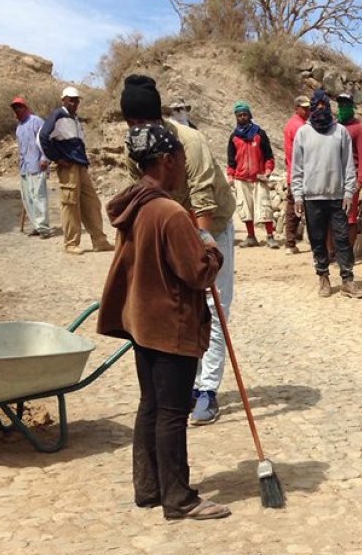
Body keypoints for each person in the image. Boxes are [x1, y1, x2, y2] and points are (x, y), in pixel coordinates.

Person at [98, 124, 230, 521]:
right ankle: (179, 498)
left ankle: (149, 487)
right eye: (182, 161)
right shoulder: (170, 213)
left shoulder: (136, 205)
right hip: (170, 324)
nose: (184, 169)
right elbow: (198, 274)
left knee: (151, 405)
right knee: (172, 411)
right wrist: (210, 248)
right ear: (168, 160)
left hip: (143, 321)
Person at [120, 74, 237, 427]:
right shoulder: (133, 148)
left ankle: (207, 390)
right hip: (171, 226)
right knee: (182, 307)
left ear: (157, 118)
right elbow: (140, 193)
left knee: (213, 307)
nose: (137, 130)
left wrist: (203, 255)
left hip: (211, 226)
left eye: (143, 122)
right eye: (131, 124)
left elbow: (203, 203)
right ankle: (185, 384)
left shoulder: (190, 142)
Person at [290, 89, 362, 299]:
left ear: (329, 108)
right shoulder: (303, 133)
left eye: (324, 106)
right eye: (317, 106)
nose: (320, 110)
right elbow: (297, 168)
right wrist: (297, 195)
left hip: (337, 196)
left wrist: (349, 192)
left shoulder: (340, 132)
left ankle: (347, 280)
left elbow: (348, 165)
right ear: (312, 109)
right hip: (312, 197)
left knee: (341, 239)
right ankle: (323, 276)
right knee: (318, 239)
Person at [39, 86, 114, 255]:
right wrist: (56, 158)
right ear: (63, 100)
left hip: (80, 166)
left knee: (92, 203)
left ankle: (99, 241)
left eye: (77, 99)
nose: (74, 102)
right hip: (68, 166)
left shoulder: (75, 119)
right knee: (70, 204)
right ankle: (71, 243)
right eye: (71, 99)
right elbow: (43, 136)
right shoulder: (58, 115)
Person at [227, 101, 277, 249]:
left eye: (245, 114)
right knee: (245, 209)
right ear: (236, 117)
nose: (242, 117)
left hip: (258, 178)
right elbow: (231, 160)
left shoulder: (259, 134)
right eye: (239, 115)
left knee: (265, 207)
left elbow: (269, 156)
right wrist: (230, 176)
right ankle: (251, 237)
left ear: (250, 115)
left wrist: (267, 171)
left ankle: (270, 237)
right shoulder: (234, 137)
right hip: (241, 179)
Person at [10, 96, 50, 238]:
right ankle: (36, 226)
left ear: (25, 107)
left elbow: (45, 141)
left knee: (39, 197)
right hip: (25, 168)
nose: (16, 110)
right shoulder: (19, 127)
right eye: (14, 108)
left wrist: (44, 158)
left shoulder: (36, 121)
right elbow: (21, 149)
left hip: (38, 165)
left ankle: (44, 228)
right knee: (28, 198)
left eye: (19, 107)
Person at [335, 93, 362, 248]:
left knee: (350, 217)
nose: (342, 108)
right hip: (334, 179)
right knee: (334, 216)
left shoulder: (359, 129)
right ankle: (334, 251)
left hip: (351, 179)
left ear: (352, 107)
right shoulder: (335, 127)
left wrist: (360, 180)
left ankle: (348, 252)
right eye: (340, 105)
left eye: (346, 105)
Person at [283, 95, 310, 251]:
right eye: (304, 108)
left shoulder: (291, 125)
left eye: (308, 108)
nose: (307, 111)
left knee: (293, 209)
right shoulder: (299, 127)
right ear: (296, 108)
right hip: (301, 173)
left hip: (293, 172)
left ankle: (290, 242)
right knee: (301, 209)